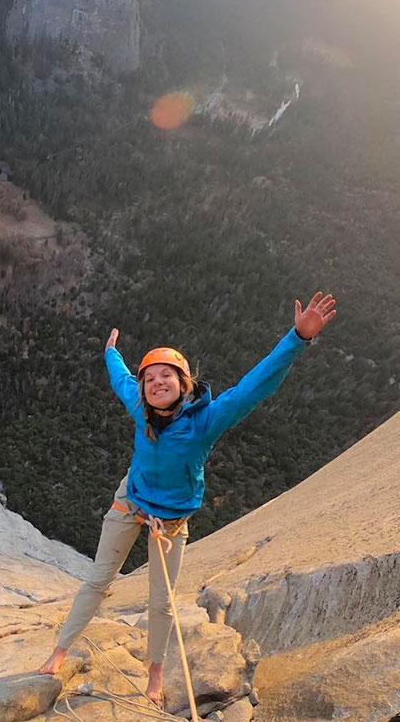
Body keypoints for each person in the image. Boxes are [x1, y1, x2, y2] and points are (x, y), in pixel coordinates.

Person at [38, 292, 337, 707]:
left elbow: (254, 386)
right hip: (131, 500)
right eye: (151, 378)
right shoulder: (140, 407)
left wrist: (297, 339)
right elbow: (122, 380)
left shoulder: (205, 421)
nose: (157, 383)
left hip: (171, 519)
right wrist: (110, 353)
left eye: (167, 376)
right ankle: (60, 650)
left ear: (184, 383)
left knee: (161, 603)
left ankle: (155, 673)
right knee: (98, 580)